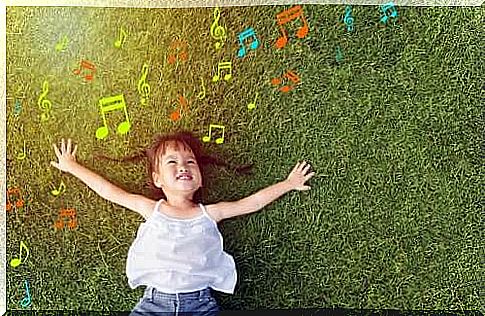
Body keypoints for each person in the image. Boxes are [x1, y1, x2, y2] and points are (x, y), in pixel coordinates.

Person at [50, 131, 315, 315]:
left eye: (190, 162)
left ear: (200, 179)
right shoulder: (151, 209)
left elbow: (252, 203)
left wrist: (288, 184)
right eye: (172, 162)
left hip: (201, 304)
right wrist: (72, 166)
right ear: (157, 179)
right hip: (154, 304)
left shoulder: (211, 213)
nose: (183, 166)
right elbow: (110, 192)